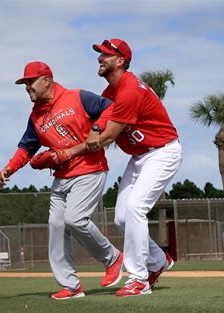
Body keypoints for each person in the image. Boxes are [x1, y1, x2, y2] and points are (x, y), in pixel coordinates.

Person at [65, 38, 182, 297]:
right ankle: (159, 261)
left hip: (163, 151)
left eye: (105, 55)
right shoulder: (110, 93)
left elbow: (107, 137)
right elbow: (99, 123)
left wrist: (74, 149)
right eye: (100, 54)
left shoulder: (130, 88)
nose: (99, 58)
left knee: (135, 208)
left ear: (120, 61)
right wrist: (90, 131)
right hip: (140, 157)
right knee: (121, 219)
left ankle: (139, 279)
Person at [0, 61, 123, 300]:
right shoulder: (35, 116)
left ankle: (113, 258)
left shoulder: (77, 97)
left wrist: (96, 127)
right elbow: (26, 147)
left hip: (90, 169)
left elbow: (111, 108)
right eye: (25, 83)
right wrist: (10, 167)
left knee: (75, 219)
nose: (27, 87)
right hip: (61, 178)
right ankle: (70, 285)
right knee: (56, 227)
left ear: (47, 80)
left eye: (30, 82)